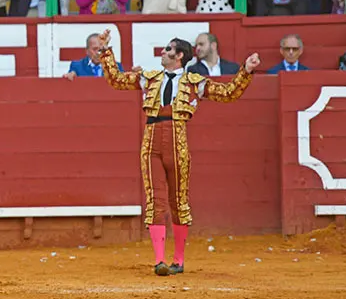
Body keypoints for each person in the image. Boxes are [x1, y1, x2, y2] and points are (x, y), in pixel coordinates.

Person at [94, 27, 258, 276]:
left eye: (168, 49)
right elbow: (116, 79)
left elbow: (228, 93)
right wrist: (106, 50)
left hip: (177, 142)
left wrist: (246, 70)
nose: (163, 52)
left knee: (179, 202)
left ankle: (178, 261)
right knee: (155, 201)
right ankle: (159, 260)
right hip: (151, 142)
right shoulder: (149, 78)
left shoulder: (195, 82)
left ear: (180, 55)